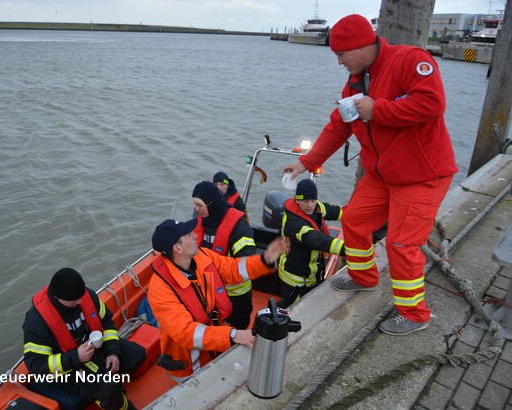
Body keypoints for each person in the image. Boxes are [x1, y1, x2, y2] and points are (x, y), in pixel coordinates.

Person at [283, 14, 457, 336]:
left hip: (422, 176)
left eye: (341, 55)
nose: (338, 62)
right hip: (382, 176)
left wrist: (380, 111)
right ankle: (364, 277)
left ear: (360, 46)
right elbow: (339, 126)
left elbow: (432, 103)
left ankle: (414, 314)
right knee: (353, 222)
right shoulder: (355, 80)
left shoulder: (410, 61)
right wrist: (307, 162)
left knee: (402, 244)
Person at [148, 218, 288, 383]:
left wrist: (265, 259)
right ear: (177, 248)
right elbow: (186, 333)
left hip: (216, 345)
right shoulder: (160, 289)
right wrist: (233, 335)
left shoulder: (203, 256)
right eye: (188, 234)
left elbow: (233, 269)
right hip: (190, 364)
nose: (195, 235)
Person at [22, 267, 146, 410]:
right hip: (67, 369)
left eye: (81, 297)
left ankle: (108, 379)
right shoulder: (36, 322)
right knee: (108, 389)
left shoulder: (86, 296)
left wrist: (112, 352)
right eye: (74, 301)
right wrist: (76, 357)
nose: (80, 302)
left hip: (93, 351)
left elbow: (106, 323)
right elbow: (36, 366)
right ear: (57, 297)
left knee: (137, 355)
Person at [192, 180, 256, 329]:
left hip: (235, 294)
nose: (196, 209)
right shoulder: (201, 219)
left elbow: (247, 265)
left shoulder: (239, 227)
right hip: (208, 290)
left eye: (199, 205)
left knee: (237, 329)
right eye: (194, 204)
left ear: (212, 204)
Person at [278, 179, 345, 307]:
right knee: (293, 308)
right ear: (297, 200)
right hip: (295, 280)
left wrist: (357, 213)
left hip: (311, 276)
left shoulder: (316, 207)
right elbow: (317, 240)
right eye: (305, 201)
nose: (310, 205)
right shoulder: (294, 224)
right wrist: (353, 250)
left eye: (312, 201)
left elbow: (334, 211)